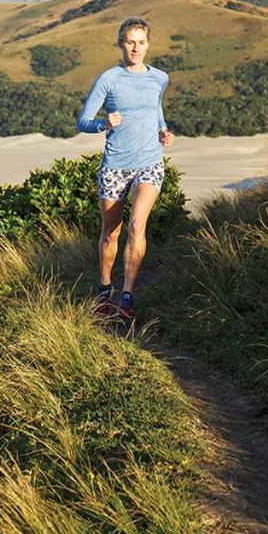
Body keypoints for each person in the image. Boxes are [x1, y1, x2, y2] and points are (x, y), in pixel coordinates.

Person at [75, 17, 174, 322]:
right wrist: (104, 123)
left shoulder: (160, 77)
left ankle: (127, 297)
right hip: (116, 165)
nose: (135, 48)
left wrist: (163, 130)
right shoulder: (108, 79)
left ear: (148, 44)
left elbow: (155, 107)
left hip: (149, 161)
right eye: (130, 41)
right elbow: (83, 121)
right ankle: (105, 289)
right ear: (120, 43)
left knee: (136, 226)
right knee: (111, 232)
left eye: (141, 42)